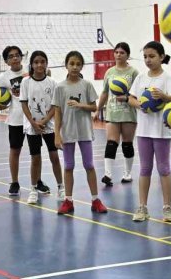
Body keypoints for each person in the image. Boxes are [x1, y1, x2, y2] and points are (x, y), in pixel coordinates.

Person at [129, 41, 171, 223]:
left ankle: (167, 207)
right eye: (145, 57)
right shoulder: (141, 77)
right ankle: (142, 207)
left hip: (162, 130)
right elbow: (131, 98)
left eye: (152, 56)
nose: (148, 60)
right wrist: (139, 104)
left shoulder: (167, 78)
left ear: (161, 57)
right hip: (143, 130)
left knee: (164, 168)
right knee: (144, 168)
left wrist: (163, 97)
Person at [53, 51, 107, 215]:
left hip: (84, 131)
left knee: (89, 165)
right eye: (72, 63)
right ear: (66, 66)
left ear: (82, 66)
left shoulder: (87, 85)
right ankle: (68, 201)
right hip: (68, 132)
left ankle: (95, 200)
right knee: (68, 166)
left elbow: (94, 107)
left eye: (78, 64)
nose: (75, 67)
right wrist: (57, 133)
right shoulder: (60, 87)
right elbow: (57, 112)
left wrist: (79, 105)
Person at [20, 50, 64, 205]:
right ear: (31, 65)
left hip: (49, 126)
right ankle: (33, 189)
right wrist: (33, 123)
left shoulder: (52, 83)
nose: (39, 65)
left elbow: (54, 105)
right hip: (32, 127)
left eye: (42, 62)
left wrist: (45, 120)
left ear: (46, 64)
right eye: (36, 62)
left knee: (54, 157)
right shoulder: (25, 82)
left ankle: (61, 188)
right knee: (35, 158)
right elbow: (24, 104)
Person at [0, 45, 27, 196]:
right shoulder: (4, 77)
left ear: (21, 57)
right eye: (10, 56)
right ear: (6, 61)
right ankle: (14, 182)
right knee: (15, 151)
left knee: (36, 154)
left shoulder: (30, 71)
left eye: (17, 55)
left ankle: (38, 181)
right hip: (16, 119)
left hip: (33, 119)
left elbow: (46, 73)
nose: (14, 58)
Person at [96, 42, 138, 186]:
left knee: (127, 144)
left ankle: (127, 173)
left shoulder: (133, 72)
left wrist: (126, 97)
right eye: (117, 52)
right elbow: (104, 93)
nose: (119, 55)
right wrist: (97, 109)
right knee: (111, 143)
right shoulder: (109, 72)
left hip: (128, 113)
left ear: (127, 55)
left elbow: (137, 94)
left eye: (122, 53)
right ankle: (107, 174)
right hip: (112, 112)